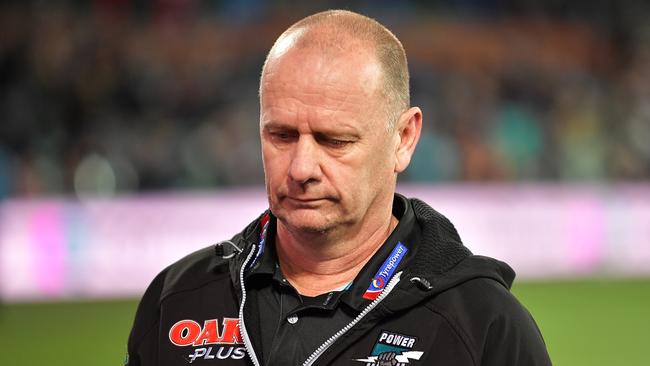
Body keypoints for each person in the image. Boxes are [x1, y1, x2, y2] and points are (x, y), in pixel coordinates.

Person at [126, 9, 551, 366]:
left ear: (404, 139)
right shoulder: (178, 298)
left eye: (335, 141)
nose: (302, 168)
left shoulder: (482, 325)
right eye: (282, 135)